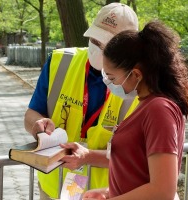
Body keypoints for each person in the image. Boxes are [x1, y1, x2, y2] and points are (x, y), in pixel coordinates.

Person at [24, 3, 139, 200]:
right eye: (95, 40)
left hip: (105, 193)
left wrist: (88, 157)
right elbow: (31, 114)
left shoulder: (137, 82)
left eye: (107, 44)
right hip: (53, 186)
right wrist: (37, 126)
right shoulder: (60, 62)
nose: (98, 48)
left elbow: (139, 158)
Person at [82, 20, 188, 200]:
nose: (110, 84)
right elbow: (139, 174)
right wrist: (108, 193)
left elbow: (162, 191)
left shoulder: (158, 110)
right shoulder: (148, 105)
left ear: (136, 74)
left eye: (111, 78)